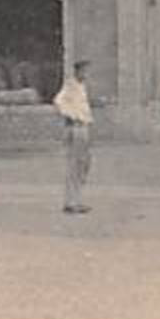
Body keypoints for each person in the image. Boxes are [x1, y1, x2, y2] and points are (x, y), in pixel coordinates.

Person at [52, 60, 94, 214]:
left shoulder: (81, 87)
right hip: (75, 128)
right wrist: (71, 116)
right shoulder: (70, 85)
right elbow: (58, 102)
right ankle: (71, 202)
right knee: (74, 166)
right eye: (84, 71)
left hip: (84, 127)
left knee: (84, 164)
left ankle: (77, 199)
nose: (86, 74)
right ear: (78, 71)